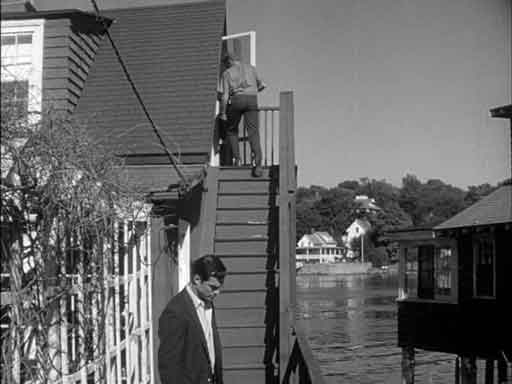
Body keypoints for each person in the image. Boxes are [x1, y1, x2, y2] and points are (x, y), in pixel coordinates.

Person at [158, 255, 227, 384]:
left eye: (219, 287)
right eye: (213, 287)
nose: (217, 292)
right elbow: (169, 368)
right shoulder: (175, 312)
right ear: (197, 279)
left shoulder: (207, 300)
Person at [218, 52, 266, 177]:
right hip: (252, 99)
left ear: (228, 61)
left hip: (237, 100)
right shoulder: (251, 68)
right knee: (253, 132)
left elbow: (224, 97)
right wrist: (251, 90)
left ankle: (237, 160)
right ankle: (258, 164)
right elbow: (262, 86)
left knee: (231, 130)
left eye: (225, 64)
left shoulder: (227, 73)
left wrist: (223, 113)